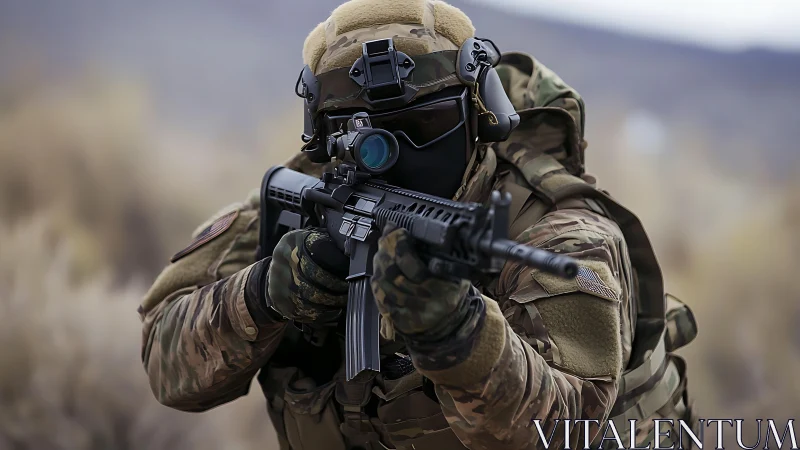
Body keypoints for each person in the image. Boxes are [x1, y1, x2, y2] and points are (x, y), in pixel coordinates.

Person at [138, 0, 699, 448]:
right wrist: (262, 294)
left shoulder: (559, 233)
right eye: (362, 131)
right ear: (326, 133)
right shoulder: (307, 193)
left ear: (480, 115)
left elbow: (569, 427)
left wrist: (460, 335)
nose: (393, 152)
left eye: (425, 122)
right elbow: (164, 364)